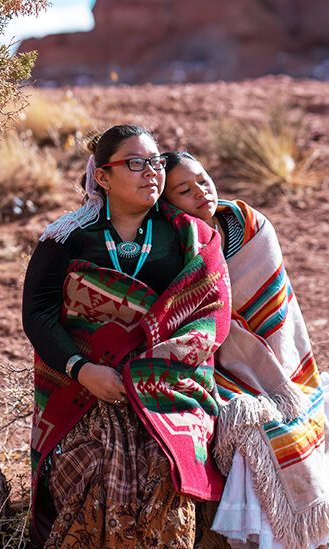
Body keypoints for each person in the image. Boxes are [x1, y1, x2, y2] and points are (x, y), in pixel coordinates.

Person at [22, 127, 232, 548]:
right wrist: (83, 370)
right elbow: (38, 315)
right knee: (88, 463)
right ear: (103, 177)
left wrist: (152, 368)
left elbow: (212, 313)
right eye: (135, 163)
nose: (151, 172)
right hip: (83, 388)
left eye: (156, 162)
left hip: (167, 386)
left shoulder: (189, 236)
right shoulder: (66, 238)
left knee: (163, 462)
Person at [163, 151, 329, 549]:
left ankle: (310, 536)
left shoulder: (248, 226)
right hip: (215, 364)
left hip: (279, 361)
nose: (201, 192)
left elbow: (276, 308)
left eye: (203, 179)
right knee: (260, 428)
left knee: (287, 418)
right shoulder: (174, 245)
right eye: (185, 190)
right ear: (168, 204)